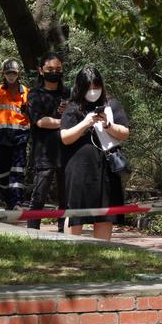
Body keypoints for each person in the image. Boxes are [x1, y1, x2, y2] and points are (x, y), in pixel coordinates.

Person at [60, 66, 130, 240]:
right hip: (79, 171)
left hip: (106, 168)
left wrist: (108, 125)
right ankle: (72, 251)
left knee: (105, 214)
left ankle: (102, 254)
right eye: (88, 88)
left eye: (96, 87)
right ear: (80, 88)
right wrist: (85, 123)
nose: (92, 92)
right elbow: (65, 137)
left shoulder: (111, 104)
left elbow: (124, 133)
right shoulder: (73, 107)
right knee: (76, 214)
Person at [27, 52, 70, 232]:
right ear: (41, 70)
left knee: (66, 197)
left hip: (67, 151)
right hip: (44, 152)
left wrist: (68, 113)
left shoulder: (68, 93)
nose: (54, 72)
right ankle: (32, 232)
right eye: (50, 69)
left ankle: (66, 232)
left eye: (58, 69)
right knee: (39, 195)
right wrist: (64, 121)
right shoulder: (34, 94)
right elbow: (40, 122)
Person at [0, 59, 30, 210]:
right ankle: (7, 198)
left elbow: (30, 114)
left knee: (18, 169)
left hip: (20, 135)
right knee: (2, 170)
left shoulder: (25, 92)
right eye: (8, 73)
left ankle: (16, 202)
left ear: (18, 74)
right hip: (2, 137)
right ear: (3, 74)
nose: (11, 76)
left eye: (13, 73)